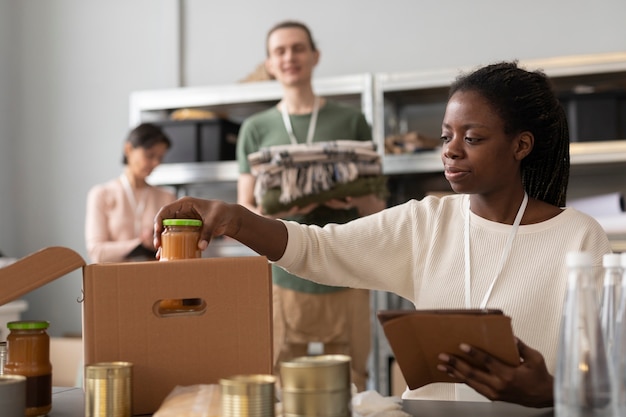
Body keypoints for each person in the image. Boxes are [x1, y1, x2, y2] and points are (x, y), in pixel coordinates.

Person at [154, 61, 612, 407]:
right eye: (445, 135)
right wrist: (236, 218)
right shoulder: (425, 223)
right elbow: (319, 248)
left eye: (471, 138)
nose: (450, 151)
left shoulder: (579, 238)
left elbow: (609, 382)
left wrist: (550, 393)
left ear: (521, 145)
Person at [235, 20, 386, 391]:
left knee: (351, 379)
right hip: (284, 271)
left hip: (347, 269)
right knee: (278, 377)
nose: (290, 57)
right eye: (280, 51)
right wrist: (280, 210)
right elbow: (245, 207)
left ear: (314, 55)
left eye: (298, 48)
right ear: (269, 63)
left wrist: (354, 196)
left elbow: (377, 209)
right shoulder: (255, 128)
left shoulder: (351, 120)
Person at [85, 122, 176, 263]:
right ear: (128, 149)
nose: (155, 163)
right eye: (150, 155)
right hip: (114, 281)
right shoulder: (101, 194)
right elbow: (97, 252)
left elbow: (174, 251)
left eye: (160, 158)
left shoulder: (167, 197)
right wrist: (140, 243)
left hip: (155, 280)